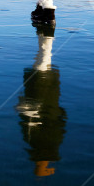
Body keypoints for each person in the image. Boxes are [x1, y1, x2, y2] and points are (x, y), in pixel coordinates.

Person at [16, 24, 66, 177]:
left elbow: (32, 121)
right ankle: (44, 28)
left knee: (44, 56)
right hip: (43, 95)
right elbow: (29, 121)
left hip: (41, 94)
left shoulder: (44, 142)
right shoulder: (39, 142)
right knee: (44, 56)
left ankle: (44, 28)